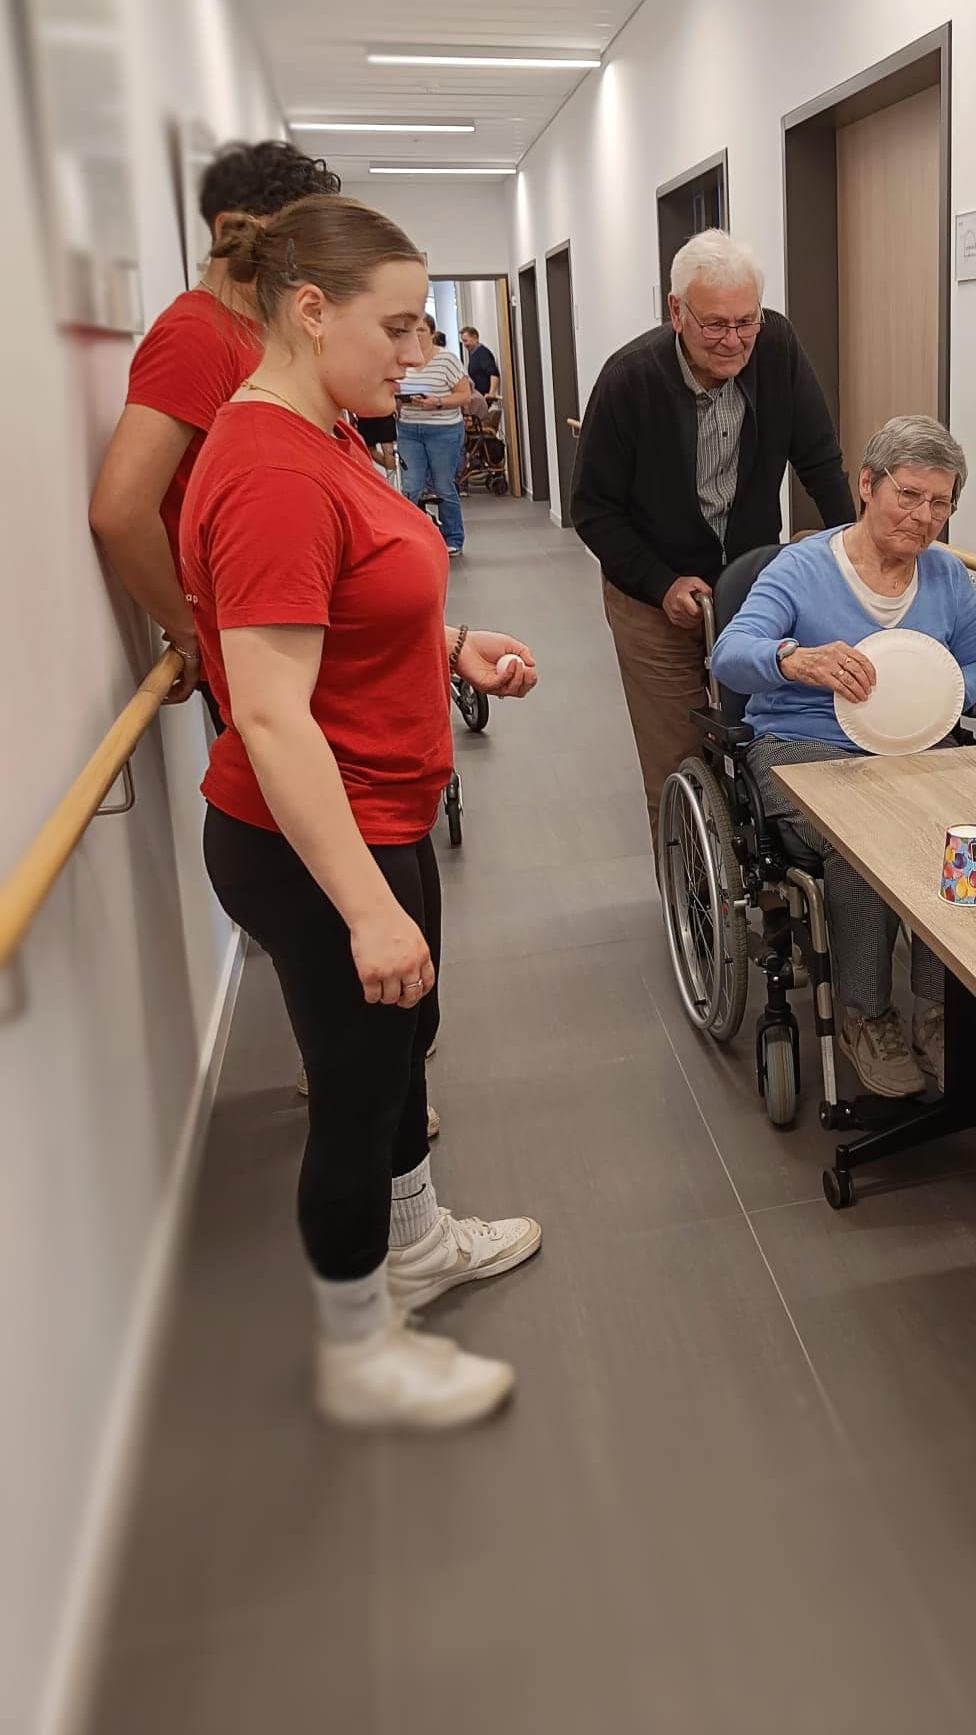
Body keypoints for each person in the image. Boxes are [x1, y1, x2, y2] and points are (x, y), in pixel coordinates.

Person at [180, 193, 541, 1431]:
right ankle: (358, 1347)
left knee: (401, 1048)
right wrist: (365, 909)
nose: (418, 352)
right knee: (355, 1092)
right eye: (397, 327)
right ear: (309, 309)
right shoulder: (272, 470)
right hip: (317, 840)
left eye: (423, 325)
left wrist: (450, 644)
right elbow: (271, 716)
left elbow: (351, 600)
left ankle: (420, 1244)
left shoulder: (323, 429)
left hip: (382, 809)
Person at [710, 417, 976, 1100]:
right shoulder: (802, 569)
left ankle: (939, 1007)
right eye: (909, 495)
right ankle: (865, 1014)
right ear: (867, 485)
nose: (923, 517)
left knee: (963, 830)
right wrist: (794, 660)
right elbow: (730, 654)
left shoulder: (945, 575)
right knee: (864, 839)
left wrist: (936, 687)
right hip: (802, 744)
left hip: (913, 746)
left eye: (940, 503)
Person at [572, 228, 854, 854]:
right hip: (653, 590)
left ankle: (763, 875)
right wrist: (660, 583)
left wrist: (851, 555)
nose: (734, 340)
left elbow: (819, 460)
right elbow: (592, 511)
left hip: (752, 589)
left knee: (764, 735)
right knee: (679, 758)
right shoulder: (629, 380)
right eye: (715, 325)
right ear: (676, 312)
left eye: (746, 321)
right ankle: (693, 891)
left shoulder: (776, 346)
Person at [90, 140, 342, 716]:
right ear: (232, 231)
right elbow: (121, 509)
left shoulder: (256, 331)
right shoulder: (195, 335)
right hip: (254, 630)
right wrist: (187, 628)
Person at [397, 319, 473, 556]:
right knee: (411, 486)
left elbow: (465, 395)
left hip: (444, 430)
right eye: (411, 330)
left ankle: (453, 538)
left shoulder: (446, 360)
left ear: (432, 333)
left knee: (442, 485)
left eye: (421, 329)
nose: (416, 334)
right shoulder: (401, 357)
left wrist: (438, 402)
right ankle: (414, 539)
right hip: (409, 429)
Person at [461, 325, 500, 400]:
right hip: (478, 396)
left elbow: (493, 373)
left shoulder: (483, 353)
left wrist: (492, 393)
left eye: (466, 341)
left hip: (484, 398)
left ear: (475, 338)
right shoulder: (473, 354)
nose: (465, 344)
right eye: (463, 341)